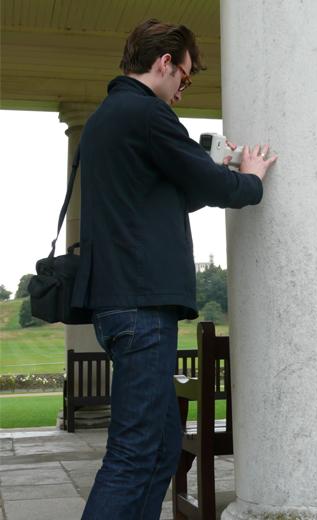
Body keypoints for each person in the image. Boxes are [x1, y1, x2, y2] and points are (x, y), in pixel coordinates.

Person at [74, 18, 277, 520]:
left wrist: (212, 169)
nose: (183, 92)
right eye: (184, 78)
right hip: (141, 308)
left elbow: (164, 194)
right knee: (133, 455)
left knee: (163, 444)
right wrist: (248, 180)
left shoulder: (107, 117)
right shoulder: (146, 114)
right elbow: (213, 189)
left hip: (120, 303)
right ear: (164, 63)